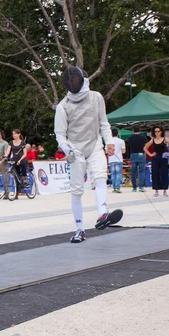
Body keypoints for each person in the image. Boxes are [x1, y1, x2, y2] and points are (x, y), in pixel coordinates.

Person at [54, 66, 123, 244]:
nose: (72, 82)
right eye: (70, 81)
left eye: (75, 79)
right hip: (75, 150)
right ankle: (79, 230)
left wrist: (108, 141)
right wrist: (68, 149)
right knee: (76, 192)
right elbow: (60, 134)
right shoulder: (63, 106)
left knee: (100, 178)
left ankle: (102, 214)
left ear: (82, 80)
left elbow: (104, 122)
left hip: (94, 146)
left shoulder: (96, 97)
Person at [144, 126, 169, 197]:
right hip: (155, 158)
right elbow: (145, 148)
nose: (157, 133)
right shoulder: (152, 140)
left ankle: (165, 190)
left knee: (164, 173)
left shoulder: (165, 139)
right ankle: (156, 190)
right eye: (155, 131)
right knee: (155, 174)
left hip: (163, 158)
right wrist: (150, 154)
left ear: (161, 132)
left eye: (158, 131)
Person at [128, 125, 147, 192]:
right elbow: (145, 146)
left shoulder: (130, 138)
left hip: (133, 154)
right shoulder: (143, 138)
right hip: (141, 155)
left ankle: (134, 187)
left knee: (133, 172)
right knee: (141, 171)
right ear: (140, 130)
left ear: (133, 130)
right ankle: (141, 187)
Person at [108, 128, 126, 193]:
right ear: (117, 133)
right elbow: (124, 151)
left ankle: (114, 187)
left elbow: (106, 151)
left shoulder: (108, 141)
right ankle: (117, 188)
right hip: (119, 159)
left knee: (113, 174)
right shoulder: (121, 141)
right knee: (118, 174)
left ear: (111, 133)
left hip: (111, 160)